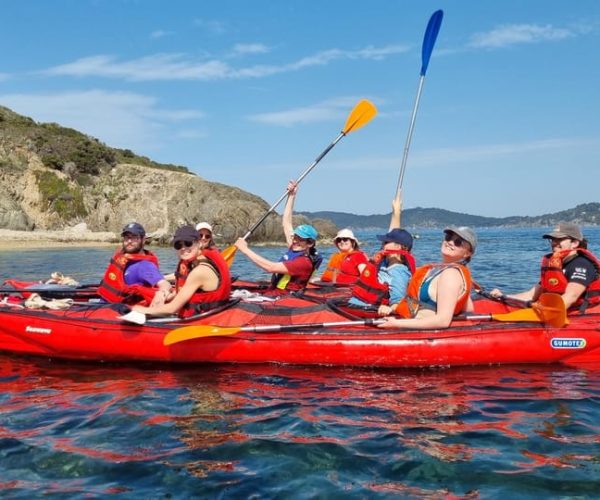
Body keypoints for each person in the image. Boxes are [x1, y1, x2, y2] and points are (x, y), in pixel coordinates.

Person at [379, 226, 476, 329]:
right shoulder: (439, 270)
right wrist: (393, 309)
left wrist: (397, 323)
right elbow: (468, 308)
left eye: (458, 242)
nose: (450, 242)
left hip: (421, 334)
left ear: (467, 253)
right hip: (412, 324)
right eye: (448, 237)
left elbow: (442, 321)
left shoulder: (451, 275)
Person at [234, 181, 322, 293]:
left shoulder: (303, 263)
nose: (295, 240)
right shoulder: (295, 247)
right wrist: (291, 196)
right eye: (295, 237)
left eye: (300, 239)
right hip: (275, 293)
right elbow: (286, 222)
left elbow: (270, 267)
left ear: (310, 243)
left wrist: (245, 250)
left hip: (285, 299)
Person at [490, 222, 600, 311]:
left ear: (575, 243)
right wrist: (503, 297)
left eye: (559, 239)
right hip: (556, 310)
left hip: (579, 316)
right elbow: (530, 295)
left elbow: (571, 297)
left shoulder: (581, 264)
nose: (554, 243)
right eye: (552, 239)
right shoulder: (555, 265)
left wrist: (545, 312)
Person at [132, 225, 231, 318]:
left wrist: (138, 309)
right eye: (178, 245)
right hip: (210, 313)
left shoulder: (200, 271)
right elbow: (185, 289)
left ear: (199, 243)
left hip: (205, 320)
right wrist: (164, 295)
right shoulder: (196, 261)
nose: (183, 248)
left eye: (188, 243)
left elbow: (172, 309)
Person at [348, 193, 415, 315]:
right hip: (355, 306)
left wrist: (390, 309)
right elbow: (394, 233)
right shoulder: (386, 261)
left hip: (367, 311)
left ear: (399, 247)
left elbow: (398, 302)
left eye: (386, 242)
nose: (383, 244)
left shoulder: (399, 273)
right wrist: (396, 212)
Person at [98, 222, 171, 306]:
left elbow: (165, 284)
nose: (129, 241)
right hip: (105, 303)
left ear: (143, 240)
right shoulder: (123, 257)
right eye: (126, 237)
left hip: (116, 309)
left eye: (134, 238)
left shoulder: (145, 265)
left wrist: (161, 294)